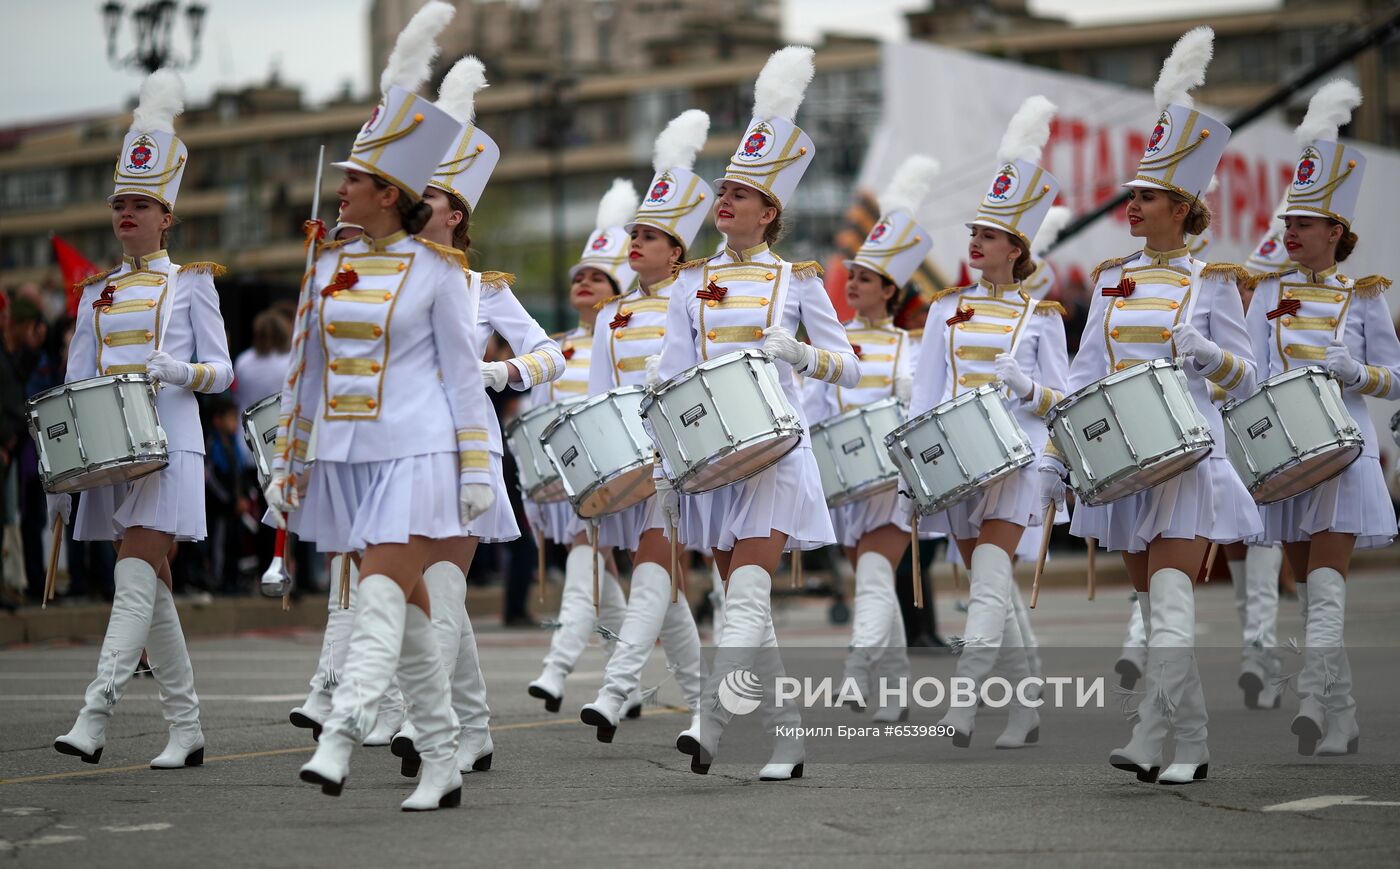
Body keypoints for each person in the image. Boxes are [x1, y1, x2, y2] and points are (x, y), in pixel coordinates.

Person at [270, 1, 495, 811]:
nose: (343, 190)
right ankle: (442, 759)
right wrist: (287, 464)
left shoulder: (438, 273)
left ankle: (342, 732)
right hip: (346, 452)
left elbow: (466, 378)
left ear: (389, 193)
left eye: (357, 182)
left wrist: (478, 468)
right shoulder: (325, 266)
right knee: (400, 604)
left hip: (421, 449)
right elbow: (309, 375)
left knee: (376, 590)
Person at [1042, 28, 1259, 785]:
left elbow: (1251, 377)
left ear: (1182, 206)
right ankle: (1174, 735)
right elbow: (1084, 371)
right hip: (1122, 461)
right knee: (1149, 602)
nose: (1130, 205)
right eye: (1131, 195)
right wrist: (1053, 455)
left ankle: (1166, 736)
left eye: (1146, 197)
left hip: (1187, 456)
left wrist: (1212, 356)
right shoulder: (1107, 280)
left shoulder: (1216, 281)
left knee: (1170, 603)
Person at [658, 46, 859, 781]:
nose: (725, 200)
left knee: (745, 592)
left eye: (741, 193)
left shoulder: (798, 281)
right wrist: (663, 459)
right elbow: (670, 375)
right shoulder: (690, 283)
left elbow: (850, 363)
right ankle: (788, 737)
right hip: (713, 458)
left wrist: (800, 354)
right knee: (747, 606)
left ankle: (710, 720)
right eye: (724, 190)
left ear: (769, 212)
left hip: (777, 450)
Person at [50, 69, 233, 770]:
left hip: (171, 445)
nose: (125, 213)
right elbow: (73, 382)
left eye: (140, 203)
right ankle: (186, 728)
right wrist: (60, 470)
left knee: (133, 573)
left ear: (167, 216)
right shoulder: (94, 292)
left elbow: (223, 372)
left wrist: (180, 372)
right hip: (109, 451)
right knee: (153, 588)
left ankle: (94, 715)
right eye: (119, 203)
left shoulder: (192, 284)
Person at [388, 55, 563, 777]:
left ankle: (441, 727)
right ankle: (467, 725)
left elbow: (550, 352)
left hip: (465, 447)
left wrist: (502, 371)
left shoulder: (481, 287)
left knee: (448, 592)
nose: (411, 207)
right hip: (397, 448)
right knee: (410, 593)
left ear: (455, 213)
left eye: (424, 198)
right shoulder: (386, 277)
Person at [1244, 80, 1399, 757]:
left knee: (1328, 583)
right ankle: (1341, 714)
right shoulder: (1268, 293)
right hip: (1286, 451)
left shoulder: (1365, 297)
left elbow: (1395, 377)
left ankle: (1312, 698)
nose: (1289, 234)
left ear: (1335, 232)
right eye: (1287, 224)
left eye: (1302, 225)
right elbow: (1247, 368)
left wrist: (1356, 373)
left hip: (1343, 448)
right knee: (1308, 588)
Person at [908, 96, 1068, 749]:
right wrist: (912, 470)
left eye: (988, 236)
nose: (975, 244)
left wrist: (1028, 386)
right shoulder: (944, 311)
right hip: (956, 461)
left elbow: (1065, 397)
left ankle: (965, 705)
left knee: (990, 586)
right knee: (991, 589)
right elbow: (924, 395)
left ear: (1017, 247)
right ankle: (1027, 706)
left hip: (1016, 460)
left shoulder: (1045, 315)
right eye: (973, 234)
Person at [576, 110, 713, 743]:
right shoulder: (613, 315)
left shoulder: (702, 297)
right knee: (663, 585)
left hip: (685, 456)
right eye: (635, 233)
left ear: (677, 249)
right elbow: (600, 397)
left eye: (649, 236)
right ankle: (707, 703)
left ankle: (615, 688)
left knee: (656, 570)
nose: (635, 243)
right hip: (631, 460)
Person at [804, 154, 938, 723]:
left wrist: (912, 394)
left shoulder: (914, 346)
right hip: (845, 480)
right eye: (850, 276)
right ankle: (899, 687)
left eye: (862, 278)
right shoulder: (833, 344)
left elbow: (930, 408)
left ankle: (858, 675)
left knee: (879, 574)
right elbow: (812, 406)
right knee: (874, 579)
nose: (850, 284)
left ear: (889, 289)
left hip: (892, 478)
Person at [522, 180, 640, 716]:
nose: (585, 283)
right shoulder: (559, 347)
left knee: (585, 562)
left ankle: (556, 667)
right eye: (580, 276)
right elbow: (536, 420)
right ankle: (628, 684)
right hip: (569, 477)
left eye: (597, 276)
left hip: (617, 471)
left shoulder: (624, 336)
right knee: (600, 574)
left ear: (618, 285)